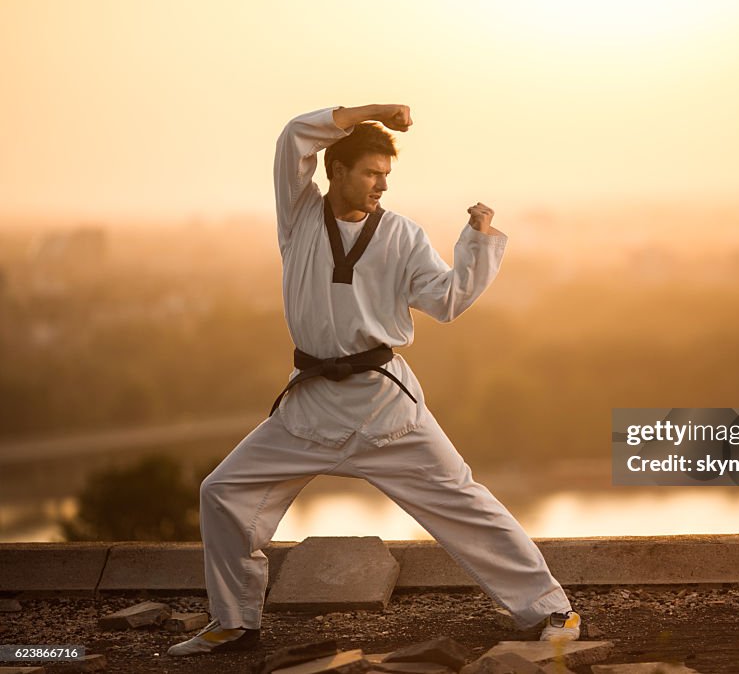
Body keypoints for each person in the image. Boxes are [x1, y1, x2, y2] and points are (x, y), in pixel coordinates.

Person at [167, 104, 581, 656]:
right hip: (310, 406)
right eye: (369, 173)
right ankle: (235, 622)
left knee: (464, 502)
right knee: (224, 493)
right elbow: (295, 137)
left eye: (386, 176)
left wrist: (477, 241)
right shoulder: (299, 217)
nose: (380, 185)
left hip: (383, 407)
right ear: (334, 170)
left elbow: (446, 299)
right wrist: (375, 110)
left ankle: (551, 609)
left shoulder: (403, 235)